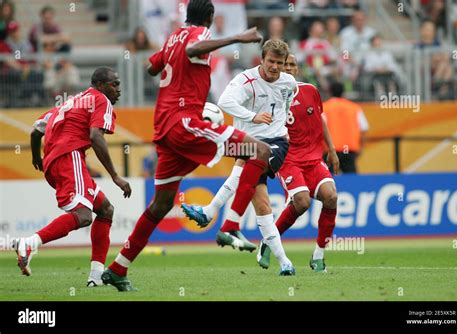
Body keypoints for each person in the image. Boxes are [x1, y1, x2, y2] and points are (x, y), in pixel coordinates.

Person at [102, 0, 268, 291]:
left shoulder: (172, 37)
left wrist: (174, 64)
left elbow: (152, 67)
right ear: (210, 18)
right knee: (260, 151)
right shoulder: (199, 35)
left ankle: (118, 267)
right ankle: (229, 225)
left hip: (165, 131)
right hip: (185, 124)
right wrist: (237, 37)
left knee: (162, 204)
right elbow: (193, 50)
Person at [182, 39, 297, 275]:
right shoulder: (246, 80)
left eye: (279, 63)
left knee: (249, 167)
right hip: (246, 141)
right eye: (271, 61)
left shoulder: (289, 83)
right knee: (263, 204)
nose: (275, 67)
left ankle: (212, 212)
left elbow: (287, 102)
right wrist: (252, 117)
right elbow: (224, 102)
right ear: (261, 59)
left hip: (275, 143)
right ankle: (285, 262)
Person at [12, 67, 131, 287]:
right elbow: (96, 136)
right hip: (69, 158)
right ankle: (29, 243)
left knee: (106, 210)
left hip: (55, 162)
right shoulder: (100, 100)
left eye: (118, 84)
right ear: (99, 84)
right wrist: (115, 176)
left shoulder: (70, 102)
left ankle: (96, 277)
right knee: (84, 215)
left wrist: (37, 158)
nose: (118, 90)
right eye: (114, 84)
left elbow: (36, 131)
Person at [257, 54, 339, 273]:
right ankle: (269, 239)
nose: (290, 68)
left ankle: (318, 257)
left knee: (331, 196)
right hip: (289, 157)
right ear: (279, 68)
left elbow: (320, 120)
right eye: (286, 65)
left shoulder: (311, 91)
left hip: (313, 158)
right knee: (302, 202)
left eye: (293, 65)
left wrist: (331, 150)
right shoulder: (268, 94)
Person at [323, 81, 369, 173]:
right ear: (343, 92)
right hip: (347, 149)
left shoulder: (324, 107)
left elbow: (319, 128)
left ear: (330, 92)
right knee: (351, 180)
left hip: (330, 150)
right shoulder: (354, 107)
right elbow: (364, 128)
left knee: (328, 180)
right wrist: (361, 148)